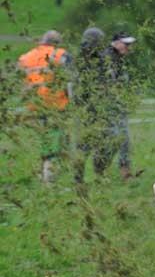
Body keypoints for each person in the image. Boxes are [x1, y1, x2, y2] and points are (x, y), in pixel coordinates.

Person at [18, 30, 71, 182]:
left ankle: (45, 172)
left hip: (34, 105)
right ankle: (49, 176)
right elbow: (70, 80)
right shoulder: (61, 54)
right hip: (56, 104)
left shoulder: (26, 57)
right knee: (55, 138)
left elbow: (19, 81)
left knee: (46, 138)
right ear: (57, 43)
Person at [73, 27, 120, 182]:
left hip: (93, 108)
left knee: (103, 143)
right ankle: (89, 176)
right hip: (91, 109)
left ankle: (93, 174)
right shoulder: (87, 59)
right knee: (94, 144)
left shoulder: (89, 58)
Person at [104, 32, 136, 179]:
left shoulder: (120, 60)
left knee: (122, 139)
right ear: (116, 42)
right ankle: (104, 171)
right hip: (107, 107)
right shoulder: (107, 59)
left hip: (118, 106)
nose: (128, 47)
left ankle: (124, 172)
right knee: (116, 139)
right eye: (126, 44)